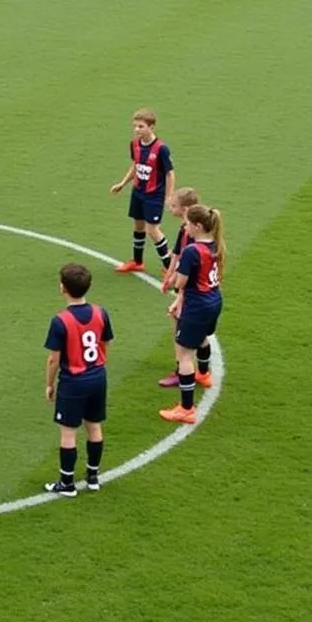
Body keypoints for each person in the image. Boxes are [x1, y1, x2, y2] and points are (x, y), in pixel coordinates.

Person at [43, 263, 114, 498]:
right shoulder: (100, 312)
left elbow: (54, 359)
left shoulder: (60, 320)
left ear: (62, 288)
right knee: (94, 426)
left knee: (68, 432)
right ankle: (93, 477)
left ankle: (67, 483)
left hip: (74, 381)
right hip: (97, 375)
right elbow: (106, 343)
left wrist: (50, 385)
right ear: (89, 286)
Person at [159, 205, 224, 425]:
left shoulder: (191, 251)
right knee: (203, 337)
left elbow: (181, 282)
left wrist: (176, 287)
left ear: (197, 226)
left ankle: (186, 408)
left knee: (185, 354)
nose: (184, 227)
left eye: (187, 224)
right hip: (214, 299)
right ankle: (204, 374)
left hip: (197, 305)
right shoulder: (216, 244)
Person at [110, 108, 175, 274]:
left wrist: (169, 197)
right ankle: (137, 262)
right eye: (135, 126)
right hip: (138, 192)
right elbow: (136, 165)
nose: (136, 129)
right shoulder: (135, 144)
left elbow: (170, 173)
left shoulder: (161, 149)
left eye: (140, 126)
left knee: (152, 229)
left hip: (154, 195)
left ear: (151, 127)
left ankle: (169, 267)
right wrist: (123, 183)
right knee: (138, 225)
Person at [157, 186, 201, 387]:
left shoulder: (193, 234)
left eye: (173, 206)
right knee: (198, 332)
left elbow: (188, 270)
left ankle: (182, 370)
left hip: (190, 289)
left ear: (184, 209)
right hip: (190, 288)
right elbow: (176, 253)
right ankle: (204, 371)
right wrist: (168, 275)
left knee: (179, 322)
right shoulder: (186, 229)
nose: (170, 208)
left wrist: (178, 296)